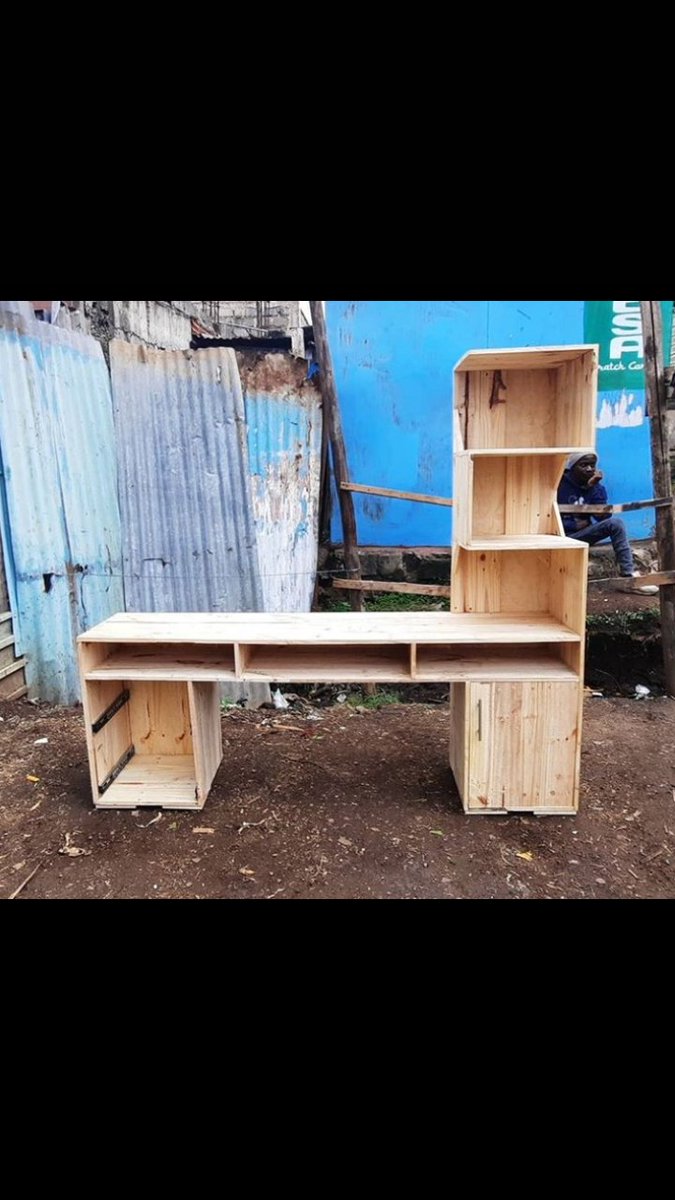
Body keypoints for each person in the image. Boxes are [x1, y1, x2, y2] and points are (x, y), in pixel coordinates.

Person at [558, 452, 658, 594]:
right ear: (572, 467)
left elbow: (603, 517)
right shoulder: (559, 484)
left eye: (592, 465)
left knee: (615, 523)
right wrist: (573, 525)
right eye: (583, 465)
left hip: (581, 535)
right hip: (559, 536)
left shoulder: (596, 487)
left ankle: (628, 577)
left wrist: (593, 487)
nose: (589, 469)